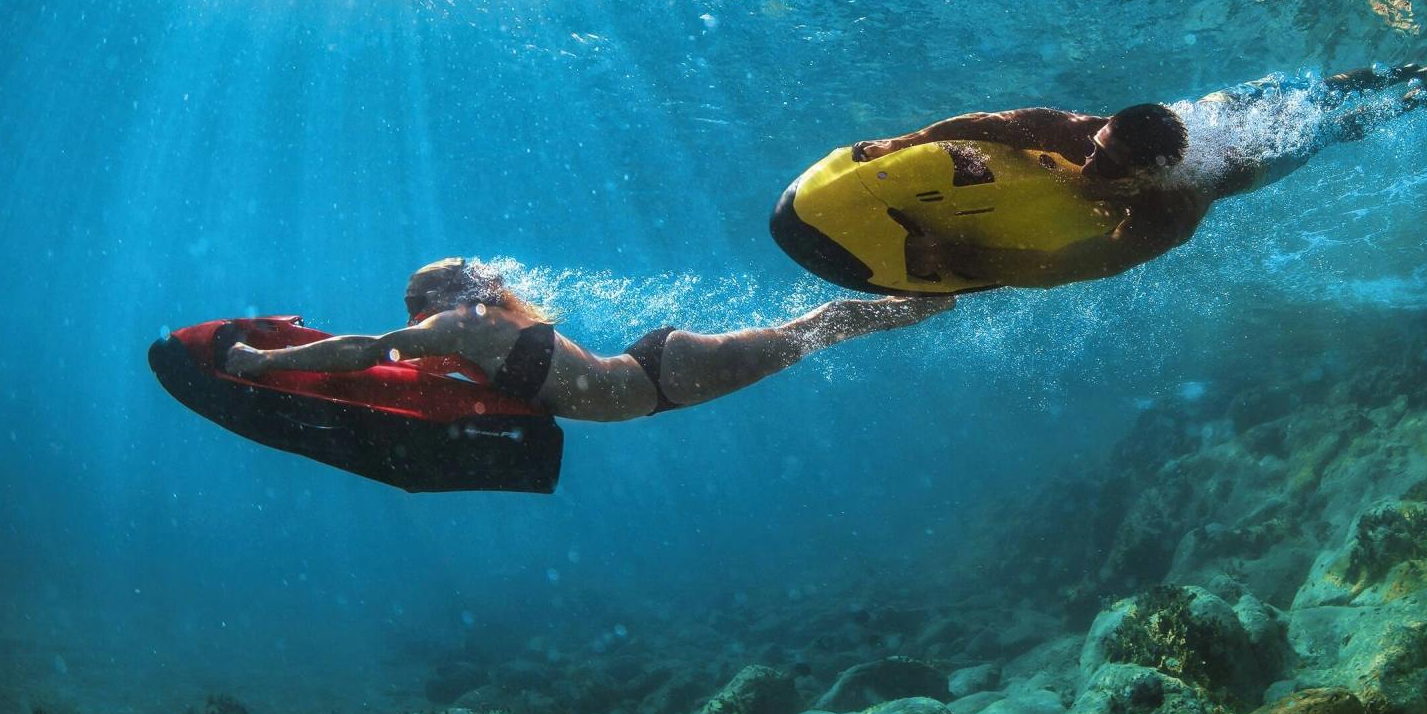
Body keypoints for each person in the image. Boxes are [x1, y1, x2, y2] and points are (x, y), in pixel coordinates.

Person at [848, 64, 1427, 288]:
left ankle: (1400, 94)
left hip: (1253, 157)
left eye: (1111, 167)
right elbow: (990, 123)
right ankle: (1374, 73)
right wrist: (906, 143)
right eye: (1100, 149)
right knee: (1278, 91)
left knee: (1317, 130)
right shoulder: (1081, 131)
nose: (1091, 163)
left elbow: (1076, 266)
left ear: (1149, 177)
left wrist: (959, 255)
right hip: (1203, 115)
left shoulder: (1173, 209)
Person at [224, 257, 952, 420]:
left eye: (413, 299)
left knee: (811, 333)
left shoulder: (461, 325)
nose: (407, 309)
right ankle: (912, 299)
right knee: (807, 335)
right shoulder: (472, 331)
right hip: (655, 373)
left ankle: (918, 297)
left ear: (442, 300)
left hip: (665, 374)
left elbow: (362, 349)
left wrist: (266, 359)